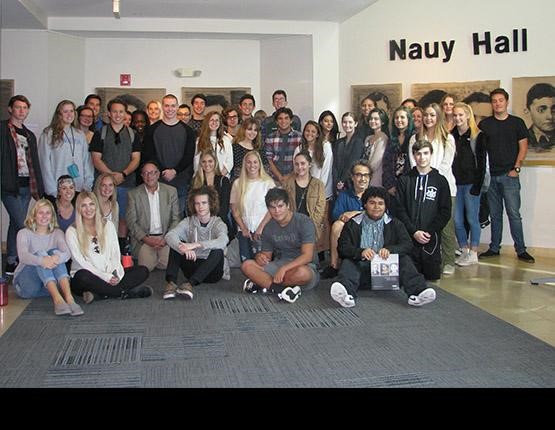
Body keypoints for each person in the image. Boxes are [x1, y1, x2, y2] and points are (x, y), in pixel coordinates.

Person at [331, 187, 436, 308]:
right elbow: (343, 247)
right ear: (365, 204)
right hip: (360, 273)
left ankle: (418, 293)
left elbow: (407, 245)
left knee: (405, 260)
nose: (376, 207)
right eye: (372, 203)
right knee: (348, 262)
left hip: (387, 273)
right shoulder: (352, 223)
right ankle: (346, 294)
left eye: (381, 203)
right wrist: (360, 252)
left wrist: (391, 250)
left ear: (386, 206)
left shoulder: (395, 223)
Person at [478, 88, 535, 263]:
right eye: (494, 101)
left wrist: (516, 168)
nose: (497, 103)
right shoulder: (485, 124)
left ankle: (521, 249)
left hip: (509, 176)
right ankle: (494, 247)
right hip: (491, 178)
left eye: (500, 100)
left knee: (513, 214)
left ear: (506, 102)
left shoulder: (517, 123)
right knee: (495, 215)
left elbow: (523, 146)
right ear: (491, 104)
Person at [66, 192, 151, 303]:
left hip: (109, 273)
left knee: (143, 271)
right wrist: (104, 277)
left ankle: (100, 294)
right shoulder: (72, 231)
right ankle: (124, 293)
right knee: (82, 276)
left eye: (91, 204)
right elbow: (80, 261)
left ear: (96, 206)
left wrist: (116, 275)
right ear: (79, 209)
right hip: (87, 277)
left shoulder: (108, 225)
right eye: (84, 205)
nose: (88, 209)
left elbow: (115, 253)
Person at [241, 188, 319, 303]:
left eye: (280, 206)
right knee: (247, 265)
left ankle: (264, 284)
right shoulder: (268, 228)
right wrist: (259, 257)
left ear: (288, 205)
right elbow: (266, 257)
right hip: (279, 265)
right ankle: (280, 290)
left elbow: (307, 256)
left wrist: (284, 269)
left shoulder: (304, 222)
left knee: (302, 273)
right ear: (268, 209)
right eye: (272, 207)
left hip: (304, 265)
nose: (277, 211)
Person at [409, 103, 457, 276]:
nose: (428, 118)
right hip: (421, 188)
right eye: (426, 115)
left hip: (444, 187)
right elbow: (413, 162)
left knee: (446, 226)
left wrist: (432, 179)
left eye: (432, 115)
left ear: (438, 117)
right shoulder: (415, 138)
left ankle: (449, 260)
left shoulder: (447, 138)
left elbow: (446, 164)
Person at [13, 199, 84, 316]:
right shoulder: (24, 233)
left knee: (56, 253)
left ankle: (69, 299)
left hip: (46, 288)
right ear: (34, 215)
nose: (44, 216)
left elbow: (67, 254)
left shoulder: (57, 233)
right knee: (41, 254)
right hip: (26, 286)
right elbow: (23, 256)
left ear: (52, 216)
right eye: (41, 213)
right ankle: (58, 300)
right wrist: (43, 260)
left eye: (48, 213)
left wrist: (55, 258)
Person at [1, 95, 45, 275]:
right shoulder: (2, 129)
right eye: (18, 107)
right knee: (22, 223)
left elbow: (34, 161)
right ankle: (32, 258)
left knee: (14, 222)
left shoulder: (29, 135)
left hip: (27, 184)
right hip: (8, 184)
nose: (21, 111)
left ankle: (11, 260)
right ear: (10, 109)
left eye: (25, 108)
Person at [396, 140, 451, 281]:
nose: (422, 157)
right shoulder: (404, 180)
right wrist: (413, 231)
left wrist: (429, 231)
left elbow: (445, 211)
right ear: (413, 155)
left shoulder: (440, 181)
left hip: (430, 239)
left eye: (426, 153)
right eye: (418, 154)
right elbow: (399, 209)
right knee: (408, 277)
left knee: (431, 277)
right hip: (409, 238)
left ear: (431, 154)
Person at [90, 97, 141, 250]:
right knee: (101, 215)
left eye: (121, 112)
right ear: (109, 114)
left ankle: (120, 247)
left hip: (127, 183)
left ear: (125, 114)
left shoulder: (132, 135)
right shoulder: (100, 134)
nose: (118, 115)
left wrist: (123, 174)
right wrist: (111, 177)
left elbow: (136, 159)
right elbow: (96, 159)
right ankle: (101, 247)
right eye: (115, 111)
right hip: (104, 184)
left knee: (124, 216)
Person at [165, 186, 229, 300]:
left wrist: (196, 244)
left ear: (211, 204)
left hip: (212, 272)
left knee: (218, 251)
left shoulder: (219, 223)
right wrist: (182, 248)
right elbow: (170, 236)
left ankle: (189, 285)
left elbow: (223, 240)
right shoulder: (188, 221)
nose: (200, 207)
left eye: (204, 203)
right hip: (192, 266)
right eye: (197, 203)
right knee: (176, 245)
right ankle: (171, 283)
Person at [142, 94, 196, 215]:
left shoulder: (188, 131)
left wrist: (175, 171)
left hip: (181, 181)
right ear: (162, 107)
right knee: (158, 215)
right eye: (166, 106)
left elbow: (189, 155)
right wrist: (162, 170)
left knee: (178, 216)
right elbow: (149, 154)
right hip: (158, 180)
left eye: (173, 106)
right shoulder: (152, 129)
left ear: (177, 107)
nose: (170, 109)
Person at [126, 161, 181, 274]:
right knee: (146, 267)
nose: (149, 176)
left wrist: (166, 239)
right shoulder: (133, 194)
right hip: (145, 238)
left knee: (167, 265)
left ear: (158, 174)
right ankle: (153, 256)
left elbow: (176, 218)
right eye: (145, 173)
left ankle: (159, 256)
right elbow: (131, 222)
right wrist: (147, 239)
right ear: (141, 176)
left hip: (165, 236)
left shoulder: (171, 192)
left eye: (152, 172)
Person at [321, 160, 371, 279]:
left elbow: (383, 214)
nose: (362, 178)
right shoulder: (345, 195)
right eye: (358, 175)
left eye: (366, 175)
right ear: (352, 177)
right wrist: (345, 216)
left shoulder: (375, 194)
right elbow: (336, 214)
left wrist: (356, 213)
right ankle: (334, 266)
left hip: (372, 231)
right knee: (337, 225)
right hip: (351, 233)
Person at [452, 103, 486, 266]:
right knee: (457, 220)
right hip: (456, 184)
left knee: (472, 219)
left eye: (460, 115)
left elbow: (481, 163)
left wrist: (477, 186)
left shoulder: (477, 135)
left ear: (467, 115)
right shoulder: (451, 135)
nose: (458, 118)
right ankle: (464, 249)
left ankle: (473, 252)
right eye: (455, 115)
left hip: (471, 184)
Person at [38, 99, 94, 198]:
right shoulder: (48, 134)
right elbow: (44, 163)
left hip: (77, 188)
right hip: (57, 189)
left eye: (71, 111)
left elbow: (87, 161)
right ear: (59, 114)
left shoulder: (79, 134)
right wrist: (52, 190)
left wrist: (87, 185)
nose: (69, 114)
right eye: (65, 111)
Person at [230, 150, 275, 262]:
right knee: (247, 263)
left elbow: (272, 209)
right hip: (244, 231)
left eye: (255, 162)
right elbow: (235, 210)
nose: (252, 165)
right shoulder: (237, 183)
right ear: (245, 164)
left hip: (264, 229)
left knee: (263, 262)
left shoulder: (268, 183)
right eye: (249, 162)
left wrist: (261, 228)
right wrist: (244, 228)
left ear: (259, 164)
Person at [282, 151, 326, 243]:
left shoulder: (318, 184)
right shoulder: (287, 184)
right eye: (296, 164)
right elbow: (285, 207)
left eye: (303, 163)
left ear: (309, 164)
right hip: (292, 228)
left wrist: (308, 228)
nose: (300, 167)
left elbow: (320, 210)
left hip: (311, 229)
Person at [191, 150, 233, 237]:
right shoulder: (195, 181)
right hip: (199, 226)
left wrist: (212, 223)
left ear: (215, 162)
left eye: (210, 161)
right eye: (204, 161)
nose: (207, 164)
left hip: (219, 226)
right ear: (200, 163)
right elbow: (191, 205)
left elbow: (224, 207)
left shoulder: (223, 181)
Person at [264, 107, 303, 185]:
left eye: (286, 118)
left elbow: (302, 160)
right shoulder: (270, 138)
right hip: (274, 180)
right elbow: (269, 160)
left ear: (291, 120)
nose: (283, 121)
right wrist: (280, 177)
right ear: (276, 121)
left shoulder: (299, 137)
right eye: (280, 118)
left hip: (294, 179)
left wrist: (289, 176)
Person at [382, 106, 415, 199]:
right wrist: (389, 185)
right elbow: (386, 163)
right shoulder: (392, 138)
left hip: (409, 185)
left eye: (402, 117)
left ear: (408, 119)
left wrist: (405, 186)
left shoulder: (414, 137)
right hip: (392, 186)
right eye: (396, 117)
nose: (399, 120)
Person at [332, 112, 365, 195]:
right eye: (344, 122)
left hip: (351, 182)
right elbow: (335, 164)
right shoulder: (339, 142)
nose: (347, 125)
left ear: (355, 124)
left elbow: (353, 163)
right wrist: (337, 181)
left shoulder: (358, 141)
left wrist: (342, 181)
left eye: (350, 122)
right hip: (337, 183)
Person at [193, 111, 233, 178]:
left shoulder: (226, 140)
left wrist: (218, 178)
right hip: (204, 179)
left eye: (217, 120)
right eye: (211, 120)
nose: (214, 122)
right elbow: (197, 163)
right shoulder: (200, 141)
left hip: (221, 178)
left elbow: (229, 162)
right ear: (207, 122)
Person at [230, 117, 268, 182]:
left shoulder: (259, 148)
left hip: (257, 183)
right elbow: (235, 170)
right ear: (243, 130)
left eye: (255, 130)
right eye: (249, 129)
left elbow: (265, 168)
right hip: (240, 183)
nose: (252, 132)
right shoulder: (235, 147)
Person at [362, 107, 389, 187]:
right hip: (364, 178)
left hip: (375, 179)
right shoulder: (368, 138)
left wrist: (363, 172)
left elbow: (375, 163)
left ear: (382, 122)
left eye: (376, 119)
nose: (372, 121)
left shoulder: (383, 138)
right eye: (371, 119)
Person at [525, 83, 555, 151]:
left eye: (554, 110)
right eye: (541, 110)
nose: (550, 116)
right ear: (528, 111)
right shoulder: (522, 139)